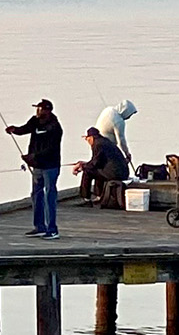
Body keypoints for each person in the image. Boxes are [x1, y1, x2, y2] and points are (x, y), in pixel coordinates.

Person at [7, 98, 63, 238]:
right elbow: (25, 129)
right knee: (36, 195)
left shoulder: (55, 127)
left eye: (40, 108)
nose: (37, 111)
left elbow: (51, 149)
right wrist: (14, 130)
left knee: (49, 195)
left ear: (47, 111)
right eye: (36, 108)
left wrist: (33, 157)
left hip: (50, 166)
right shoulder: (35, 121)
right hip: (37, 166)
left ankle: (52, 229)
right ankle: (39, 227)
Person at [74, 127, 132, 206]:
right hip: (121, 171)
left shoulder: (98, 144)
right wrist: (84, 164)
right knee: (97, 170)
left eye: (86, 139)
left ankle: (86, 199)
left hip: (115, 173)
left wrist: (82, 167)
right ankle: (99, 196)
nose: (87, 142)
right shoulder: (105, 142)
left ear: (91, 138)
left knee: (87, 172)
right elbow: (98, 162)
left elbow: (95, 163)